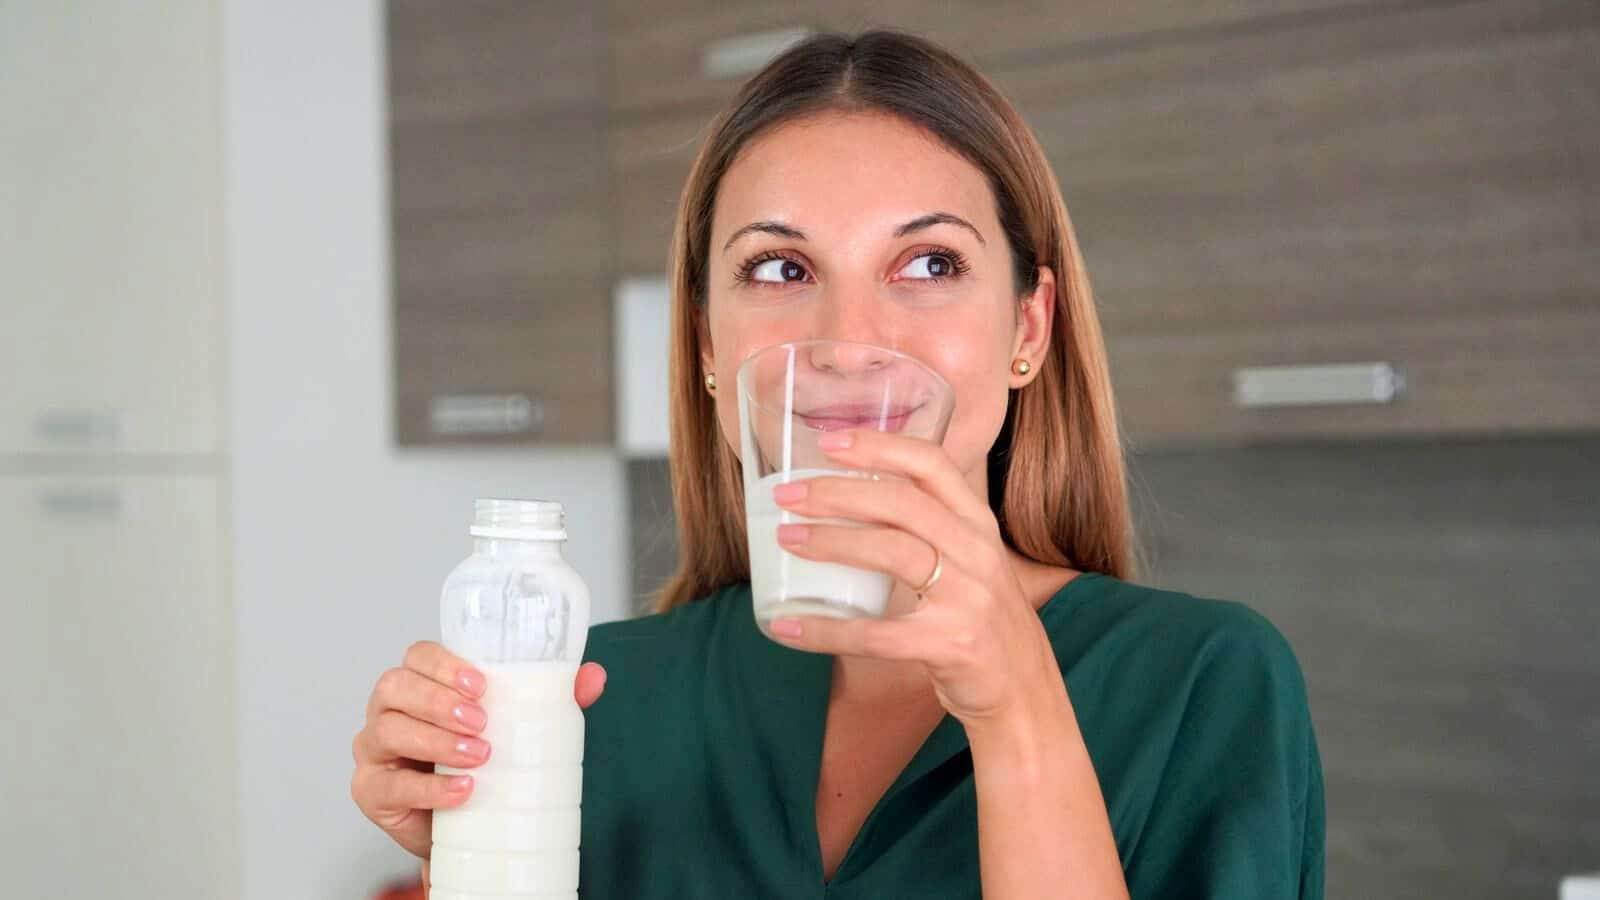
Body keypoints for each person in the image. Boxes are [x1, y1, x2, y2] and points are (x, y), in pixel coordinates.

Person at [351, 30, 1324, 899]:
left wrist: (1016, 708)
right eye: (780, 270)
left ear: (1027, 326)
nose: (848, 342)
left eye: (929, 264)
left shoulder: (1202, 683)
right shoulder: (596, 698)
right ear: (704, 346)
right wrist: (470, 862)